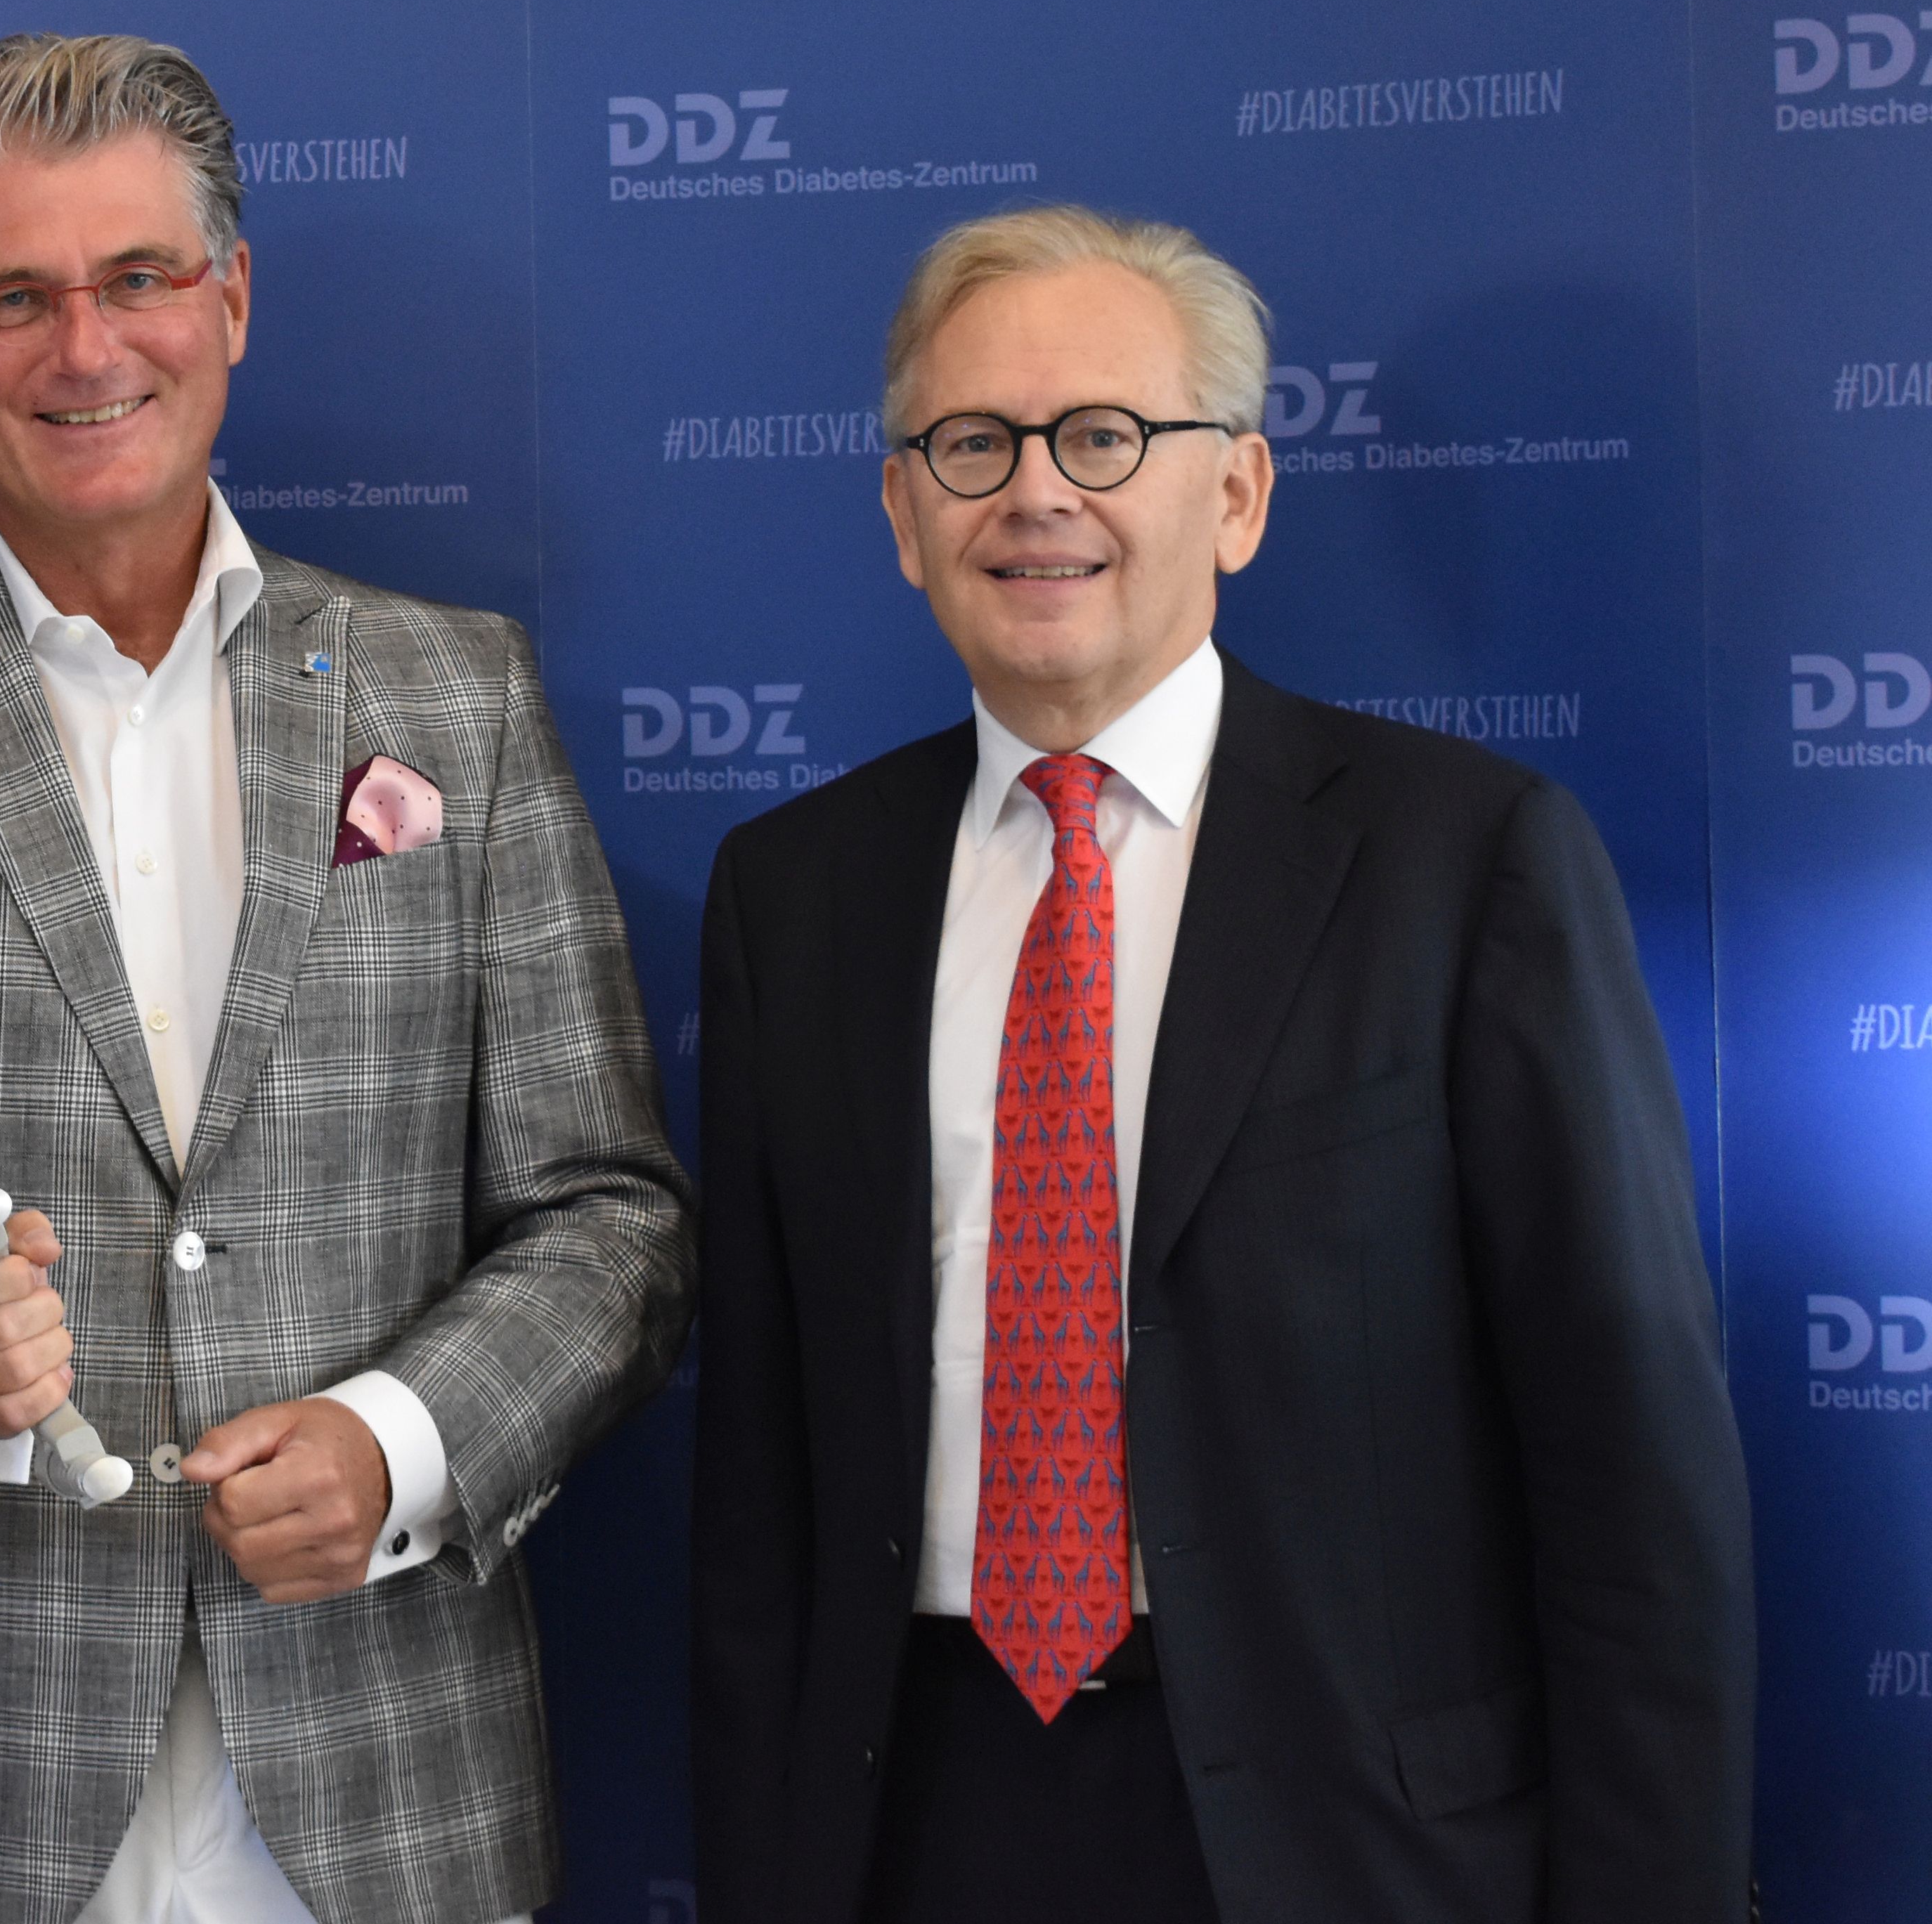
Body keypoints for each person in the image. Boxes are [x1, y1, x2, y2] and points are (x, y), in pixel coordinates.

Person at [0, 33, 692, 1924]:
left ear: (234, 298)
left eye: (139, 277)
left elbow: (606, 1217)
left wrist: (401, 1442)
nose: (86, 346)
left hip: (382, 1784)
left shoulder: (456, 693)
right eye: (13, 297)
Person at [688, 205, 1754, 1923]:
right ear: (902, 513)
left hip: (1351, 1838)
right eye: (972, 444)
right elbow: (761, 1495)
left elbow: (1628, 1475)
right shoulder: (793, 893)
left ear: (1239, 496)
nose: (1036, 492)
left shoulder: (1464, 861)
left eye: (1105, 436)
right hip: (914, 1817)